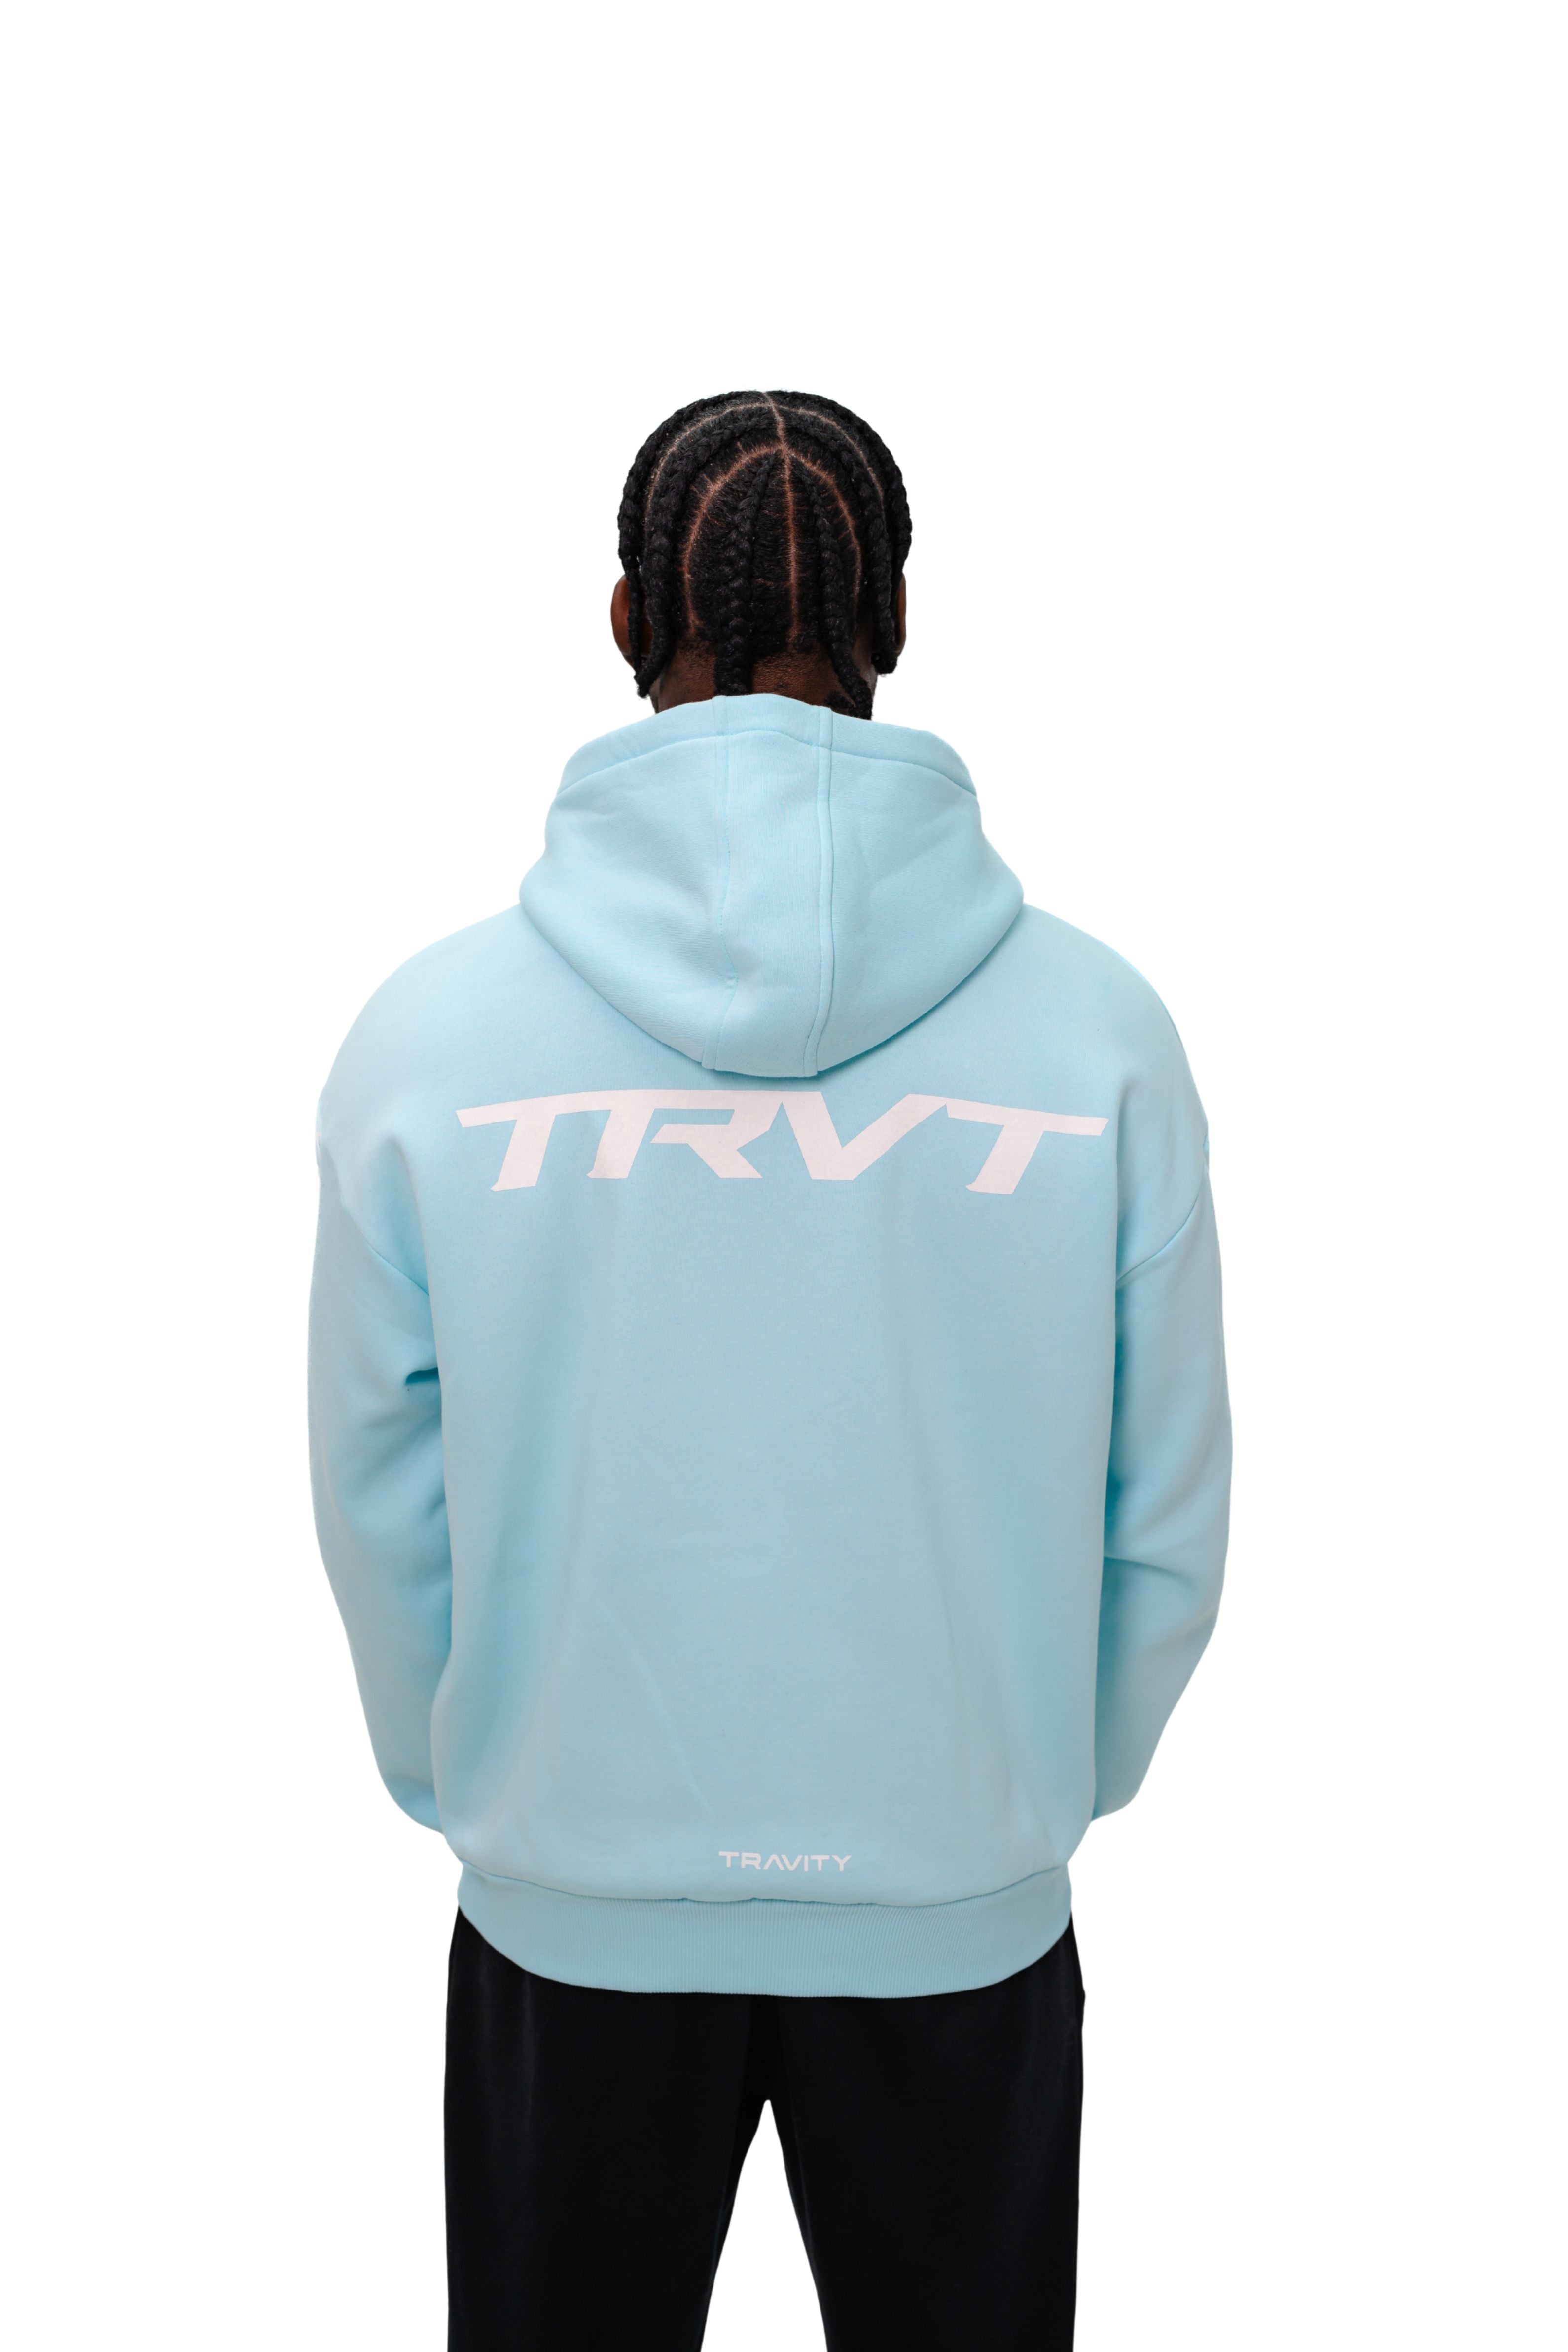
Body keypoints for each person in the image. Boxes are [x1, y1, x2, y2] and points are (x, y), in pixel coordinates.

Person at [310, 389, 1231, 2350]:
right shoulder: (1097, 1036)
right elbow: (1164, 1507)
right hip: (960, 1900)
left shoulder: (432, 1040)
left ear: (622, 614)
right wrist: (1016, 1790)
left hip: (568, 1898)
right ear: (893, 620)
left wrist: (484, 1782)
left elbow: (379, 1495)